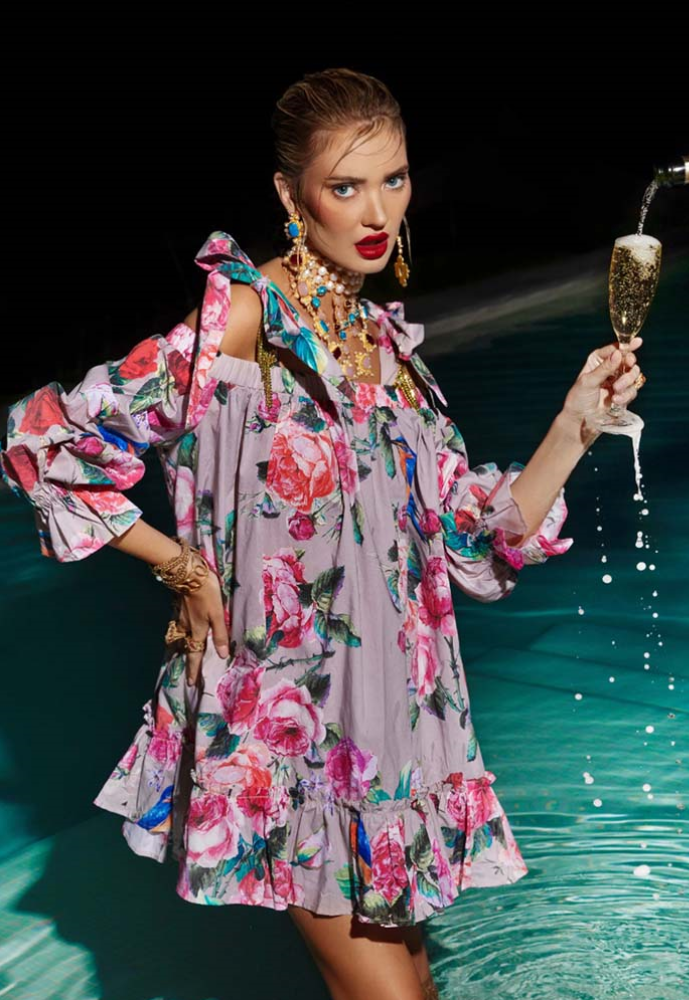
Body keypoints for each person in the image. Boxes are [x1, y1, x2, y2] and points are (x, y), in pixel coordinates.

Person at [0, 68, 643, 1000]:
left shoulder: (389, 350)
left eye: (394, 179)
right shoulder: (244, 322)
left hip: (394, 745)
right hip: (290, 743)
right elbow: (42, 441)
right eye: (346, 186)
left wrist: (577, 422)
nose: (377, 212)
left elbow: (472, 538)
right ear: (289, 193)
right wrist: (182, 567)